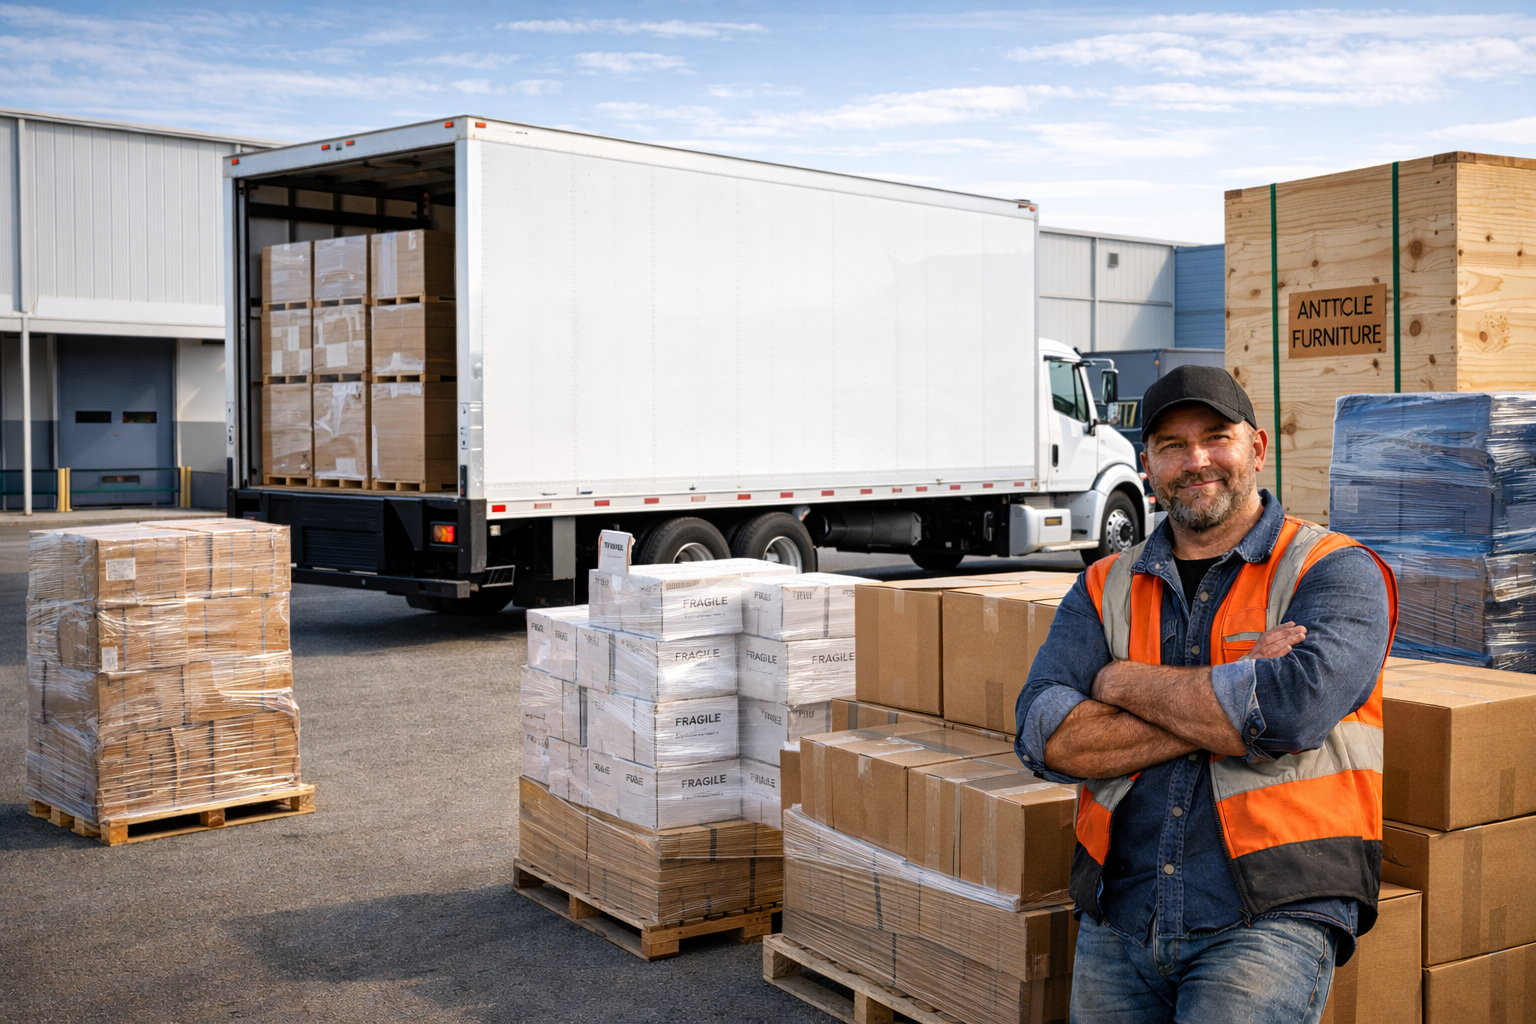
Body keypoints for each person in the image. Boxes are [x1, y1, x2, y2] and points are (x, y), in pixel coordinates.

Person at [1014, 365, 1397, 1024]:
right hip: (1122, 912)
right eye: (1172, 446)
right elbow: (1044, 737)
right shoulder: (1103, 585)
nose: (1197, 462)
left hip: (1271, 910)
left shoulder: (1334, 569)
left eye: (1216, 437)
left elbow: (1288, 711)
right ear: (1147, 465)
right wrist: (1239, 687)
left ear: (1257, 448)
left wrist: (1117, 680)